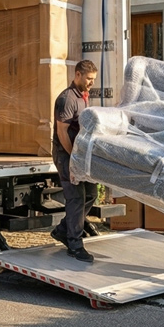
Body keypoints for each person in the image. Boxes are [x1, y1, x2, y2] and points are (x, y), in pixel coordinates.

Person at [52, 59, 99, 262]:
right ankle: (75, 245)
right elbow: (62, 131)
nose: (91, 83)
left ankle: (63, 230)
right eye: (89, 79)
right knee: (76, 198)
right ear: (77, 74)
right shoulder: (67, 98)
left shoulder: (83, 96)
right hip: (66, 155)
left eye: (93, 79)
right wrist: (73, 159)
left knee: (90, 194)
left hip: (78, 156)